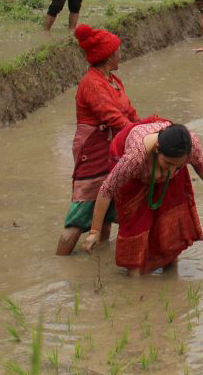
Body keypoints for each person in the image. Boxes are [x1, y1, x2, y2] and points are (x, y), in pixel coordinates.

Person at [80, 121, 203, 274]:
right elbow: (107, 190)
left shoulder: (190, 145)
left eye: (178, 165)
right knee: (135, 231)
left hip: (168, 176)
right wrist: (95, 231)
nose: (172, 169)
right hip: (136, 178)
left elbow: (201, 164)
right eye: (168, 163)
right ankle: (134, 284)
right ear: (157, 150)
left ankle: (170, 276)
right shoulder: (134, 158)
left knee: (171, 226)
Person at [59, 24, 140, 255]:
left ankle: (99, 257)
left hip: (111, 146)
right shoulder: (92, 84)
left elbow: (129, 112)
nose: (120, 53)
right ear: (107, 56)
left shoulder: (112, 80)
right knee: (82, 208)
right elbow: (112, 117)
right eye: (117, 50)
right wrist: (138, 135)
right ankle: (61, 263)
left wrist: (145, 127)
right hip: (93, 149)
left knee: (107, 204)